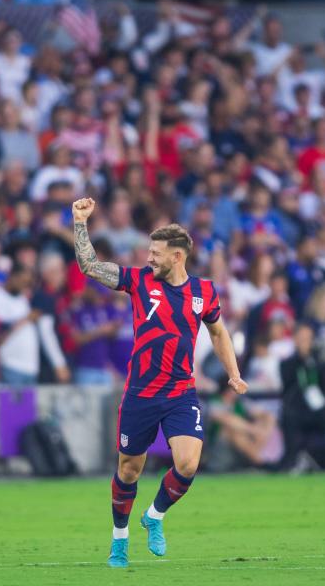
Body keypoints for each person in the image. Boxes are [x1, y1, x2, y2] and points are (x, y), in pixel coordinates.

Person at [71, 197, 248, 568]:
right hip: (140, 394)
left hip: (181, 393)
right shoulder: (137, 281)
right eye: (149, 251)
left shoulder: (204, 292)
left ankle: (154, 516)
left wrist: (233, 372)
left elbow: (218, 333)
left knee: (187, 464)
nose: (148, 258)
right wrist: (80, 222)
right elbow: (88, 265)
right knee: (128, 470)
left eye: (155, 252)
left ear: (177, 257)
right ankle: (119, 540)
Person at [279, 323, 325, 473]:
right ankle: (292, 462)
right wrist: (303, 361)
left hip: (318, 409)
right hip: (297, 410)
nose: (304, 342)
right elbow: (288, 388)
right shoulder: (287, 363)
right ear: (295, 339)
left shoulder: (321, 362)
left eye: (307, 338)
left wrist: (315, 363)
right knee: (288, 419)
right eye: (301, 338)